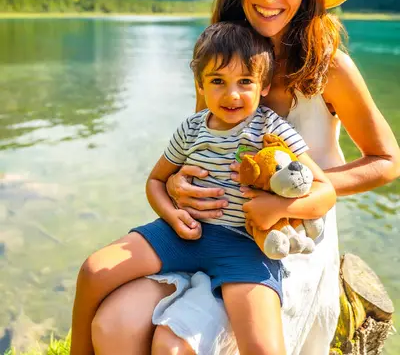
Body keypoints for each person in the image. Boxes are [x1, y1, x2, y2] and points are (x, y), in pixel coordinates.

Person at [90, 0, 400, 355]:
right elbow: (200, 142)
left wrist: (298, 197)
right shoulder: (220, 57)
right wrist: (178, 184)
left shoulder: (330, 68)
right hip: (210, 226)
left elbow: (388, 161)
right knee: (113, 325)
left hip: (289, 239)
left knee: (175, 344)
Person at [71, 20, 337, 355]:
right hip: (181, 235)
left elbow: (324, 190)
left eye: (245, 81)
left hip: (244, 245)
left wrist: (277, 209)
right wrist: (171, 213)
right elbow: (156, 180)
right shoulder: (191, 128)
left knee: (263, 346)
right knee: (94, 270)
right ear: (200, 84)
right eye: (217, 81)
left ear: (263, 86)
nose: (231, 94)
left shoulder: (271, 128)